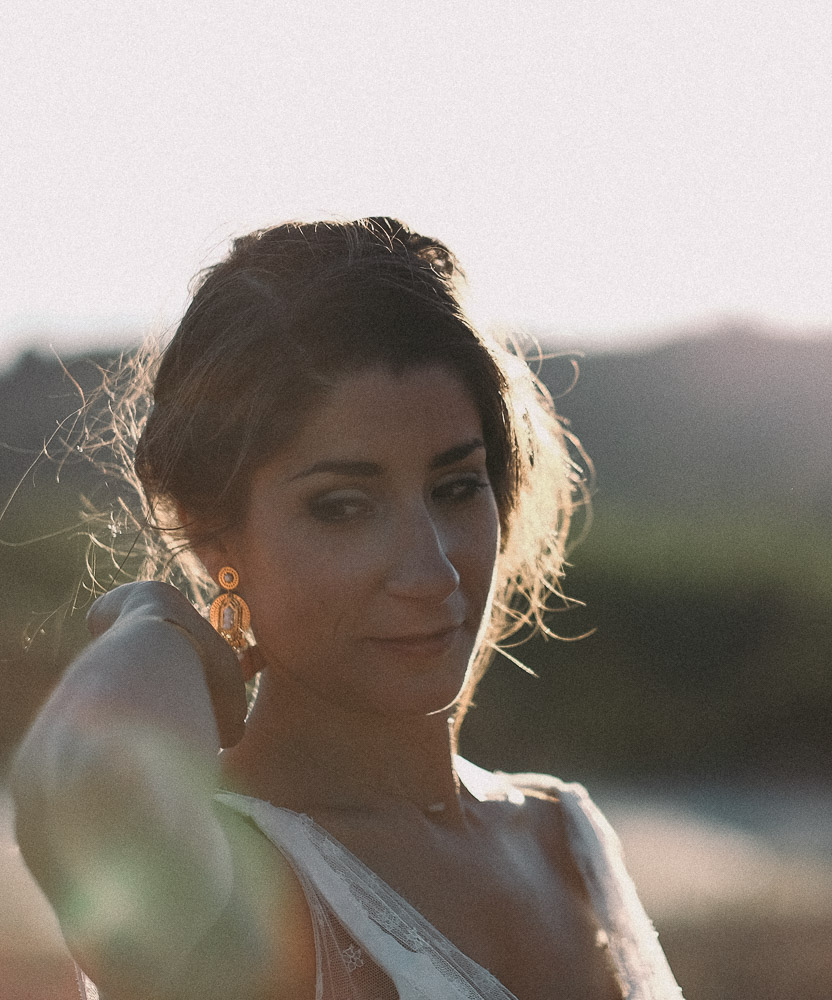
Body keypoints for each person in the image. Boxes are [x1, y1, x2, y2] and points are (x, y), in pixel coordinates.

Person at [10, 217, 683, 1000]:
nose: (432, 571)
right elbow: (82, 783)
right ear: (211, 531)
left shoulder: (562, 838)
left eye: (456, 487)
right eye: (343, 507)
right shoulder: (235, 890)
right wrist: (152, 621)